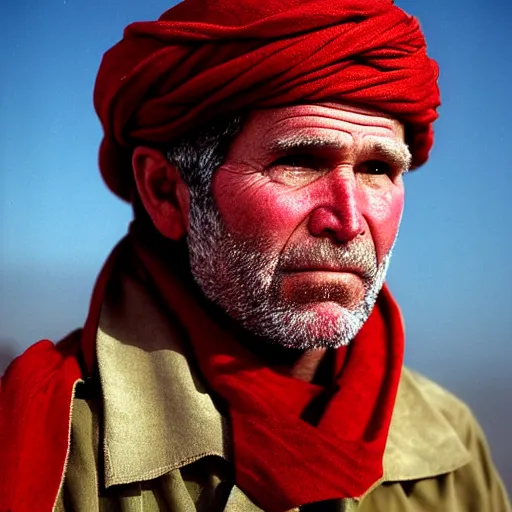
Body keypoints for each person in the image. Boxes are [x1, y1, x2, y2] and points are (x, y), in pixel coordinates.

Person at [1, 0, 510, 510]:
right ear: (165, 192)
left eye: (377, 168)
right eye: (299, 161)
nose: (349, 220)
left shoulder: (453, 449)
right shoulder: (55, 447)